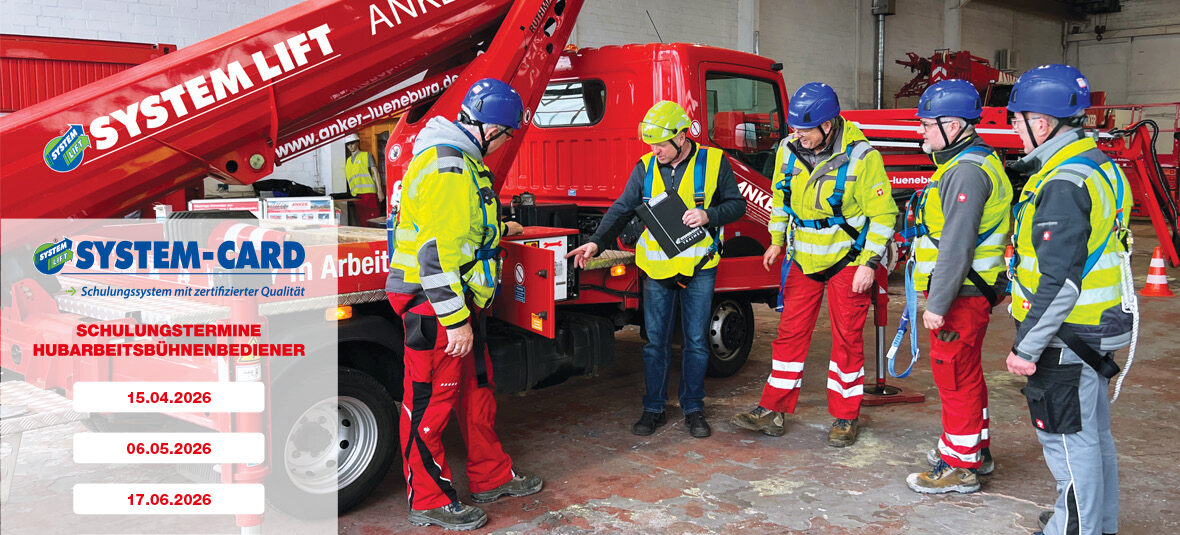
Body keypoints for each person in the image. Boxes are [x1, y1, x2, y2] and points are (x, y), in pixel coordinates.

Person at [385, 78, 539, 531]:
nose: (505, 143)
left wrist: (501, 231)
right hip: (436, 308)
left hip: (461, 303)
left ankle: (491, 476)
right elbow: (436, 255)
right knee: (430, 404)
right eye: (508, 134)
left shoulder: (462, 164)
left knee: (477, 394)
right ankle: (429, 500)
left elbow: (463, 231)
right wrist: (455, 322)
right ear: (491, 127)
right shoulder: (449, 169)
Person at [566, 100, 746, 439]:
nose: (656, 150)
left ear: (681, 137)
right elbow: (622, 208)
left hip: (700, 266)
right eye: (652, 144)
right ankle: (654, 408)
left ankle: (693, 408)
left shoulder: (714, 162)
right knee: (655, 342)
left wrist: (709, 215)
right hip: (657, 268)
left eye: (661, 143)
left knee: (695, 341)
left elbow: (737, 205)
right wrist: (596, 242)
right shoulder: (645, 166)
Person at [732, 82, 896, 447]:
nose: (799, 136)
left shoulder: (863, 157)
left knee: (847, 340)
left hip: (848, 261)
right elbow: (780, 199)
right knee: (789, 335)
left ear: (829, 124)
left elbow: (884, 214)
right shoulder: (788, 151)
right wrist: (776, 241)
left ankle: (844, 417)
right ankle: (773, 410)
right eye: (796, 129)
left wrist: (870, 262)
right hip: (803, 259)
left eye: (806, 130)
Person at [1004, 64, 1131, 535]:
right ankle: (1096, 522)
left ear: (1043, 123)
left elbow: (1061, 280)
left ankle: (1073, 529)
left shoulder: (1062, 183)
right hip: (1092, 327)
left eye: (1018, 120)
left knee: (1066, 440)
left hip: (1065, 334)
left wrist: (1026, 347)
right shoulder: (1096, 165)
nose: (1015, 130)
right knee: (1092, 438)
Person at [901, 79, 1012, 494]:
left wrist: (938, 302)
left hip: (960, 295)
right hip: (968, 292)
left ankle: (960, 467)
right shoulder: (970, 163)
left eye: (928, 124)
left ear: (954, 125)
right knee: (966, 373)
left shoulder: (966, 172)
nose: (921, 131)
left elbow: (957, 244)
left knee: (954, 376)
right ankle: (972, 450)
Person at [344, 133, 385, 225]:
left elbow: (376, 172)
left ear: (358, 143)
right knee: (363, 222)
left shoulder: (366, 155)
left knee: (373, 221)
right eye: (348, 144)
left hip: (369, 194)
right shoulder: (348, 161)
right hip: (356, 197)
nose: (350, 146)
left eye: (352, 143)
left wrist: (380, 191)